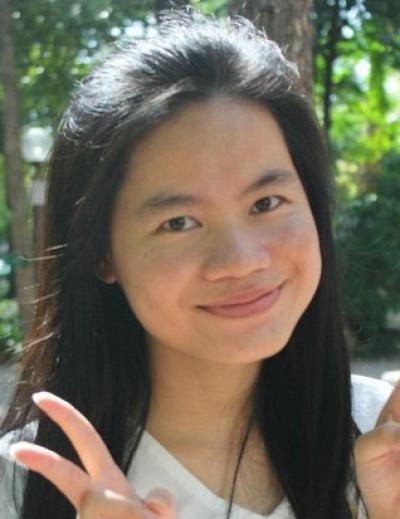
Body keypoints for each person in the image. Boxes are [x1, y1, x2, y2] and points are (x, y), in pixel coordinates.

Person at [0, 7, 399, 519]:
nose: (241, 260)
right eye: (179, 223)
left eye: (266, 203)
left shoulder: (380, 436)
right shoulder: (24, 483)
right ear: (102, 251)